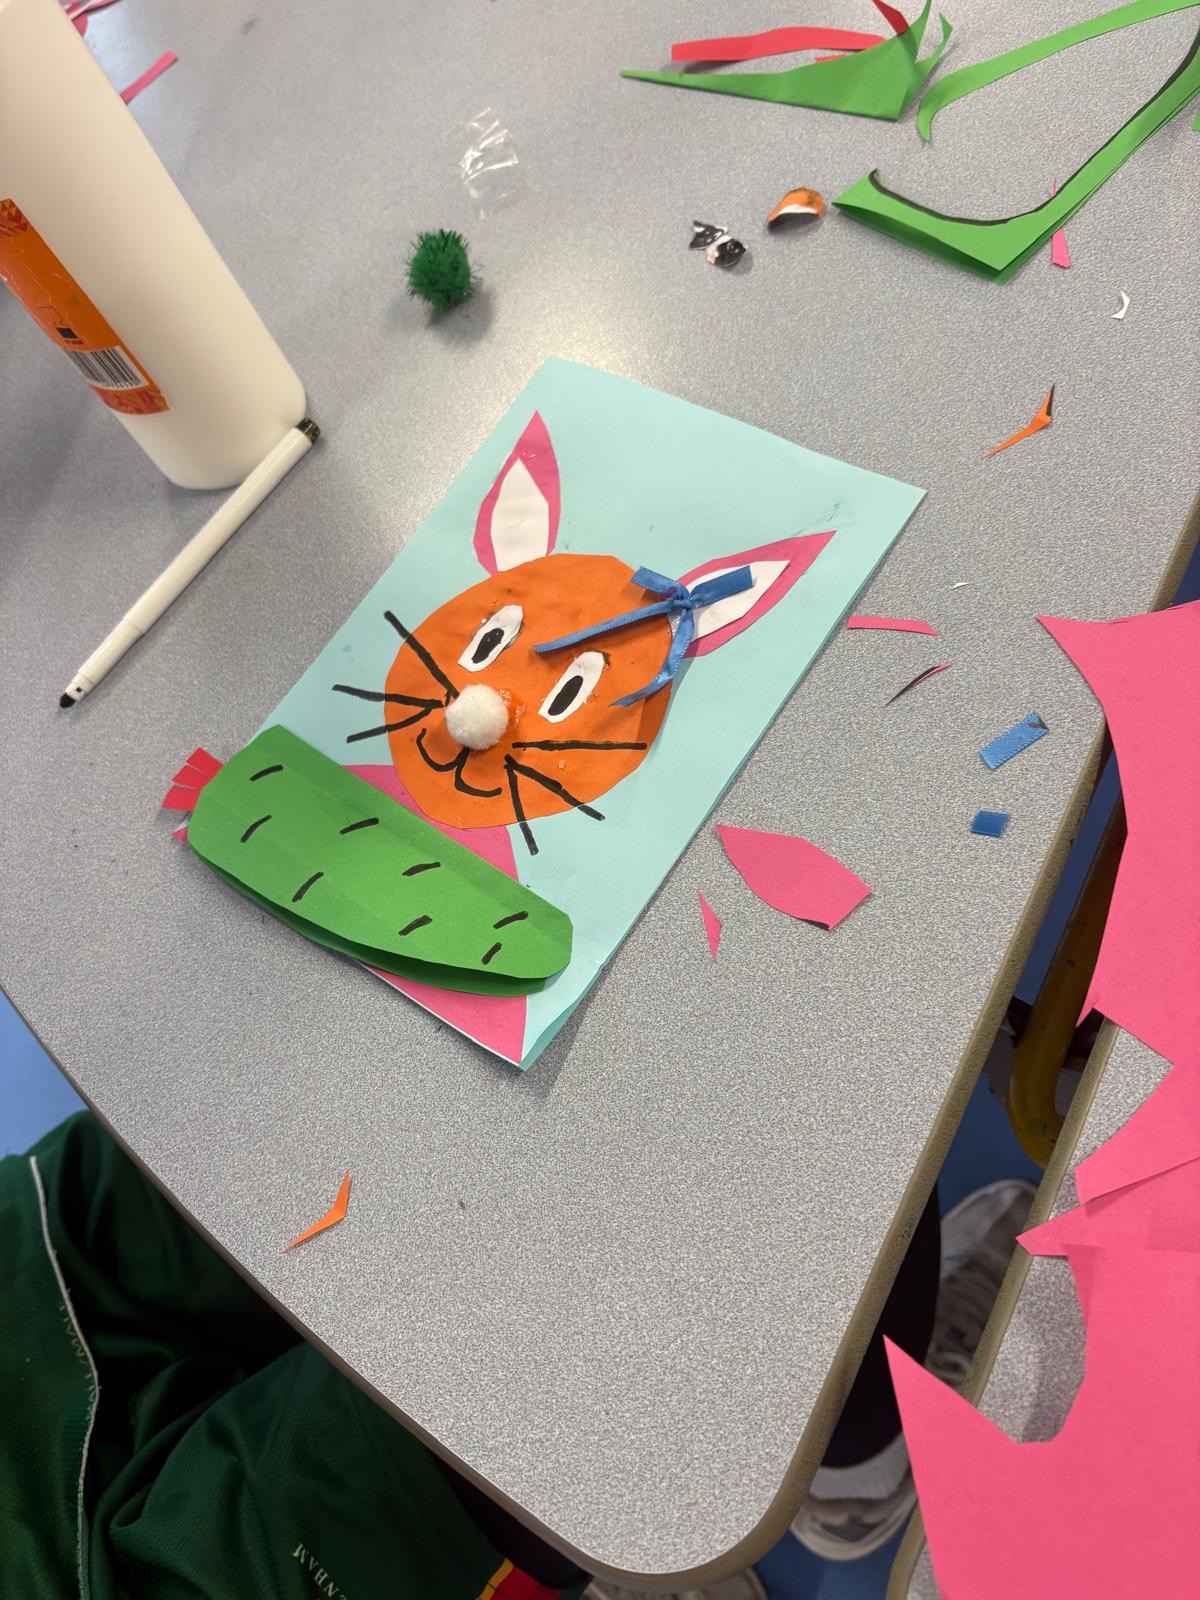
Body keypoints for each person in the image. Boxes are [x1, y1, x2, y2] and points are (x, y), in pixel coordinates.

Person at [1, 1114, 1030, 1599]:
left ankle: (825, 1460)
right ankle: (853, 1466)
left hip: (21, 1278)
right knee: (658, 1196)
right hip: (91, 1580)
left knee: (371, 1077)